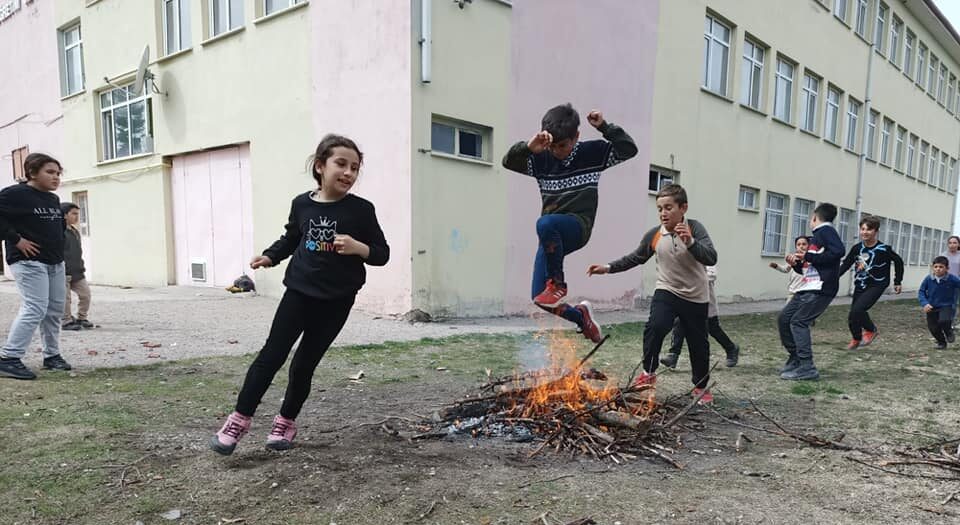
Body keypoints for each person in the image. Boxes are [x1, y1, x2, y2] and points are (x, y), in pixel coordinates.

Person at [210, 135, 389, 455]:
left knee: (304, 364)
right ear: (320, 166)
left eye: (355, 168)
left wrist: (358, 248)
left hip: (337, 301)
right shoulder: (302, 204)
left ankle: (285, 423)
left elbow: (381, 253)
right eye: (341, 164)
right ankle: (238, 420)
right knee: (270, 357)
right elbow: (292, 237)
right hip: (299, 293)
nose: (348, 173)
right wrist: (270, 256)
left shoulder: (362, 210)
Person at [502, 103, 638, 343]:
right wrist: (528, 147)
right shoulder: (541, 159)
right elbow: (508, 162)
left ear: (576, 136)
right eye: (552, 146)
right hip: (551, 237)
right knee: (539, 298)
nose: (557, 152)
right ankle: (581, 317)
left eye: (563, 146)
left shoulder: (592, 153)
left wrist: (605, 127)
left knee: (544, 224)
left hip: (578, 227)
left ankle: (558, 282)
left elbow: (628, 149)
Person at [587, 184, 717, 403]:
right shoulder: (655, 235)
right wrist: (607, 268)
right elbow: (635, 257)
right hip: (667, 289)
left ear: (683, 208)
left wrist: (691, 242)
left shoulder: (695, 228)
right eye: (659, 209)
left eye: (668, 207)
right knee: (656, 326)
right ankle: (648, 373)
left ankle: (700, 387)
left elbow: (711, 257)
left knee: (698, 343)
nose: (663, 213)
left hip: (695, 296)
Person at [0, 153, 72, 379]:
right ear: (32, 173)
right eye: (50, 172)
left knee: (54, 311)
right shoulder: (16, 194)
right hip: (29, 262)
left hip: (54, 262)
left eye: (58, 173)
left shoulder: (52, 199)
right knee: (35, 308)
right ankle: (8, 358)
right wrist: (16, 239)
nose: (56, 177)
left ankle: (52, 356)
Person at [777, 203, 844, 381]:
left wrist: (808, 256)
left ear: (815, 218)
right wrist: (797, 264)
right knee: (784, 319)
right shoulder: (817, 237)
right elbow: (810, 267)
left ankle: (807, 367)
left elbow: (839, 251)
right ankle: (796, 357)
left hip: (821, 288)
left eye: (810, 219)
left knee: (799, 322)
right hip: (808, 286)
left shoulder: (826, 231)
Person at [838, 215, 903, 349]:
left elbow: (898, 262)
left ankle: (871, 329)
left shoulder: (884, 249)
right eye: (862, 229)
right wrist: (833, 278)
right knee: (853, 315)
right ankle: (856, 339)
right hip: (861, 283)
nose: (864, 232)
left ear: (876, 231)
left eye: (868, 229)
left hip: (877, 284)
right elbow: (846, 264)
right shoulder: (857, 248)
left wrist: (897, 281)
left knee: (858, 309)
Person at [660, 265, 739, 369]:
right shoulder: (683, 258)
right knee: (679, 323)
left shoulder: (705, 258)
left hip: (705, 302)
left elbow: (712, 275)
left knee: (713, 328)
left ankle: (731, 348)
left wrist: (692, 276)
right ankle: (673, 356)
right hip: (686, 301)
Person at [60, 202, 93, 330]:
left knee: (86, 295)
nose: (77, 217)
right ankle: (66, 321)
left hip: (78, 271)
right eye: (74, 214)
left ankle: (82, 318)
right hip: (64, 272)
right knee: (65, 299)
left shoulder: (74, 231)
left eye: (77, 214)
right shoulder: (59, 232)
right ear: (64, 215)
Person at [918, 256, 960, 349]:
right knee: (933, 328)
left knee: (944, 321)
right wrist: (925, 303)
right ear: (932, 267)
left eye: (941, 267)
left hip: (947, 305)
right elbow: (921, 291)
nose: (938, 269)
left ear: (947, 268)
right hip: (931, 306)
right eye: (936, 267)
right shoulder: (929, 279)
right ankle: (941, 343)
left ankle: (948, 331)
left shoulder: (952, 279)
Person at [769, 236, 810, 302]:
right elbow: (785, 269)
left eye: (804, 244)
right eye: (798, 244)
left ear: (808, 246)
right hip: (793, 292)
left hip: (806, 293)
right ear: (796, 247)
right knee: (788, 312)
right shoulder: (793, 258)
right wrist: (776, 266)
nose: (801, 246)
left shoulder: (811, 259)